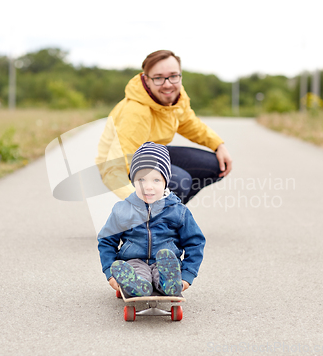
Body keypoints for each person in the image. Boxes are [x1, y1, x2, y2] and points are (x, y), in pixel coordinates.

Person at [95, 50, 233, 204]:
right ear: (146, 80)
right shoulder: (136, 112)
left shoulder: (176, 96)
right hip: (122, 165)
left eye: (173, 76)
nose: (168, 84)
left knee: (215, 165)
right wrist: (133, 203)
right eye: (158, 78)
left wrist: (218, 145)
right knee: (179, 180)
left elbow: (188, 122)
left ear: (180, 75)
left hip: (152, 153)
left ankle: (168, 216)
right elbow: (115, 167)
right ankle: (143, 221)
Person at [97, 142, 206, 296]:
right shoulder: (123, 210)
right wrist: (110, 272)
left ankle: (170, 282)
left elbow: (195, 242)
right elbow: (107, 240)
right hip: (134, 261)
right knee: (138, 274)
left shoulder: (178, 211)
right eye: (142, 180)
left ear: (165, 182)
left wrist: (187, 275)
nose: (148, 187)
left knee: (164, 271)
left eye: (156, 180)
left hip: (166, 262)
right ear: (133, 181)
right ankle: (135, 284)